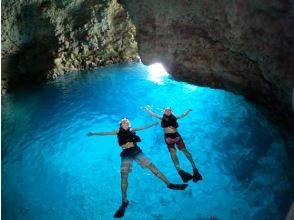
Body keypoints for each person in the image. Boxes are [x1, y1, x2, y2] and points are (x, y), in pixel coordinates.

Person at [87, 118, 188, 218]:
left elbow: (143, 127)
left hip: (136, 151)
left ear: (129, 124)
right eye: (123, 122)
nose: (125, 123)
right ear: (121, 125)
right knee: (124, 178)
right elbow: (105, 133)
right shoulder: (117, 131)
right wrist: (94, 133)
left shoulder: (132, 130)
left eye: (127, 122)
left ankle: (169, 184)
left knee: (153, 169)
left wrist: (153, 124)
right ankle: (124, 201)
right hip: (125, 153)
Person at [143, 106, 202, 183]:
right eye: (166, 110)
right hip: (168, 137)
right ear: (164, 112)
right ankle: (179, 170)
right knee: (173, 153)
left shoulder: (175, 117)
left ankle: (195, 169)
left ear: (171, 112)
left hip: (176, 136)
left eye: (169, 110)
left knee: (184, 150)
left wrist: (188, 111)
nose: (167, 111)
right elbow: (153, 114)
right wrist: (146, 109)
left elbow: (182, 115)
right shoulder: (161, 117)